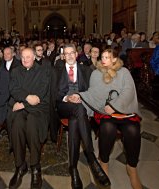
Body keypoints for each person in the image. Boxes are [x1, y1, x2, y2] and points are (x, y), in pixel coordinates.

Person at [72, 48, 142, 189]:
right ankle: (103, 161)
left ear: (115, 59)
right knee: (107, 128)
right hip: (104, 111)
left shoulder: (124, 72)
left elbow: (128, 91)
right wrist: (80, 95)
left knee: (133, 130)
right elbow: (94, 93)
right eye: (102, 57)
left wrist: (114, 105)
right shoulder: (96, 73)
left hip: (124, 111)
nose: (103, 60)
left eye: (107, 57)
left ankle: (132, 167)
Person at [56, 44, 110, 189]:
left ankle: (73, 168)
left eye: (72, 53)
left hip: (81, 104)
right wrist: (68, 98)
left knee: (75, 121)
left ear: (76, 53)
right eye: (66, 54)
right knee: (78, 110)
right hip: (64, 105)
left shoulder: (86, 70)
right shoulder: (57, 70)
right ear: (63, 56)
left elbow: (92, 91)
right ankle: (91, 157)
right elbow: (55, 94)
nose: (69, 56)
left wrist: (80, 96)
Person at [7, 48, 50, 189]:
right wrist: (26, 98)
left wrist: (22, 103)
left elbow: (38, 97)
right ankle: (20, 165)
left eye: (28, 57)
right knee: (17, 124)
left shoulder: (42, 71)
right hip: (22, 108)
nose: (25, 60)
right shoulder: (15, 71)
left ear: (34, 57)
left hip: (38, 110)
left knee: (32, 123)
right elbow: (13, 89)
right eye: (23, 57)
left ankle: (35, 166)